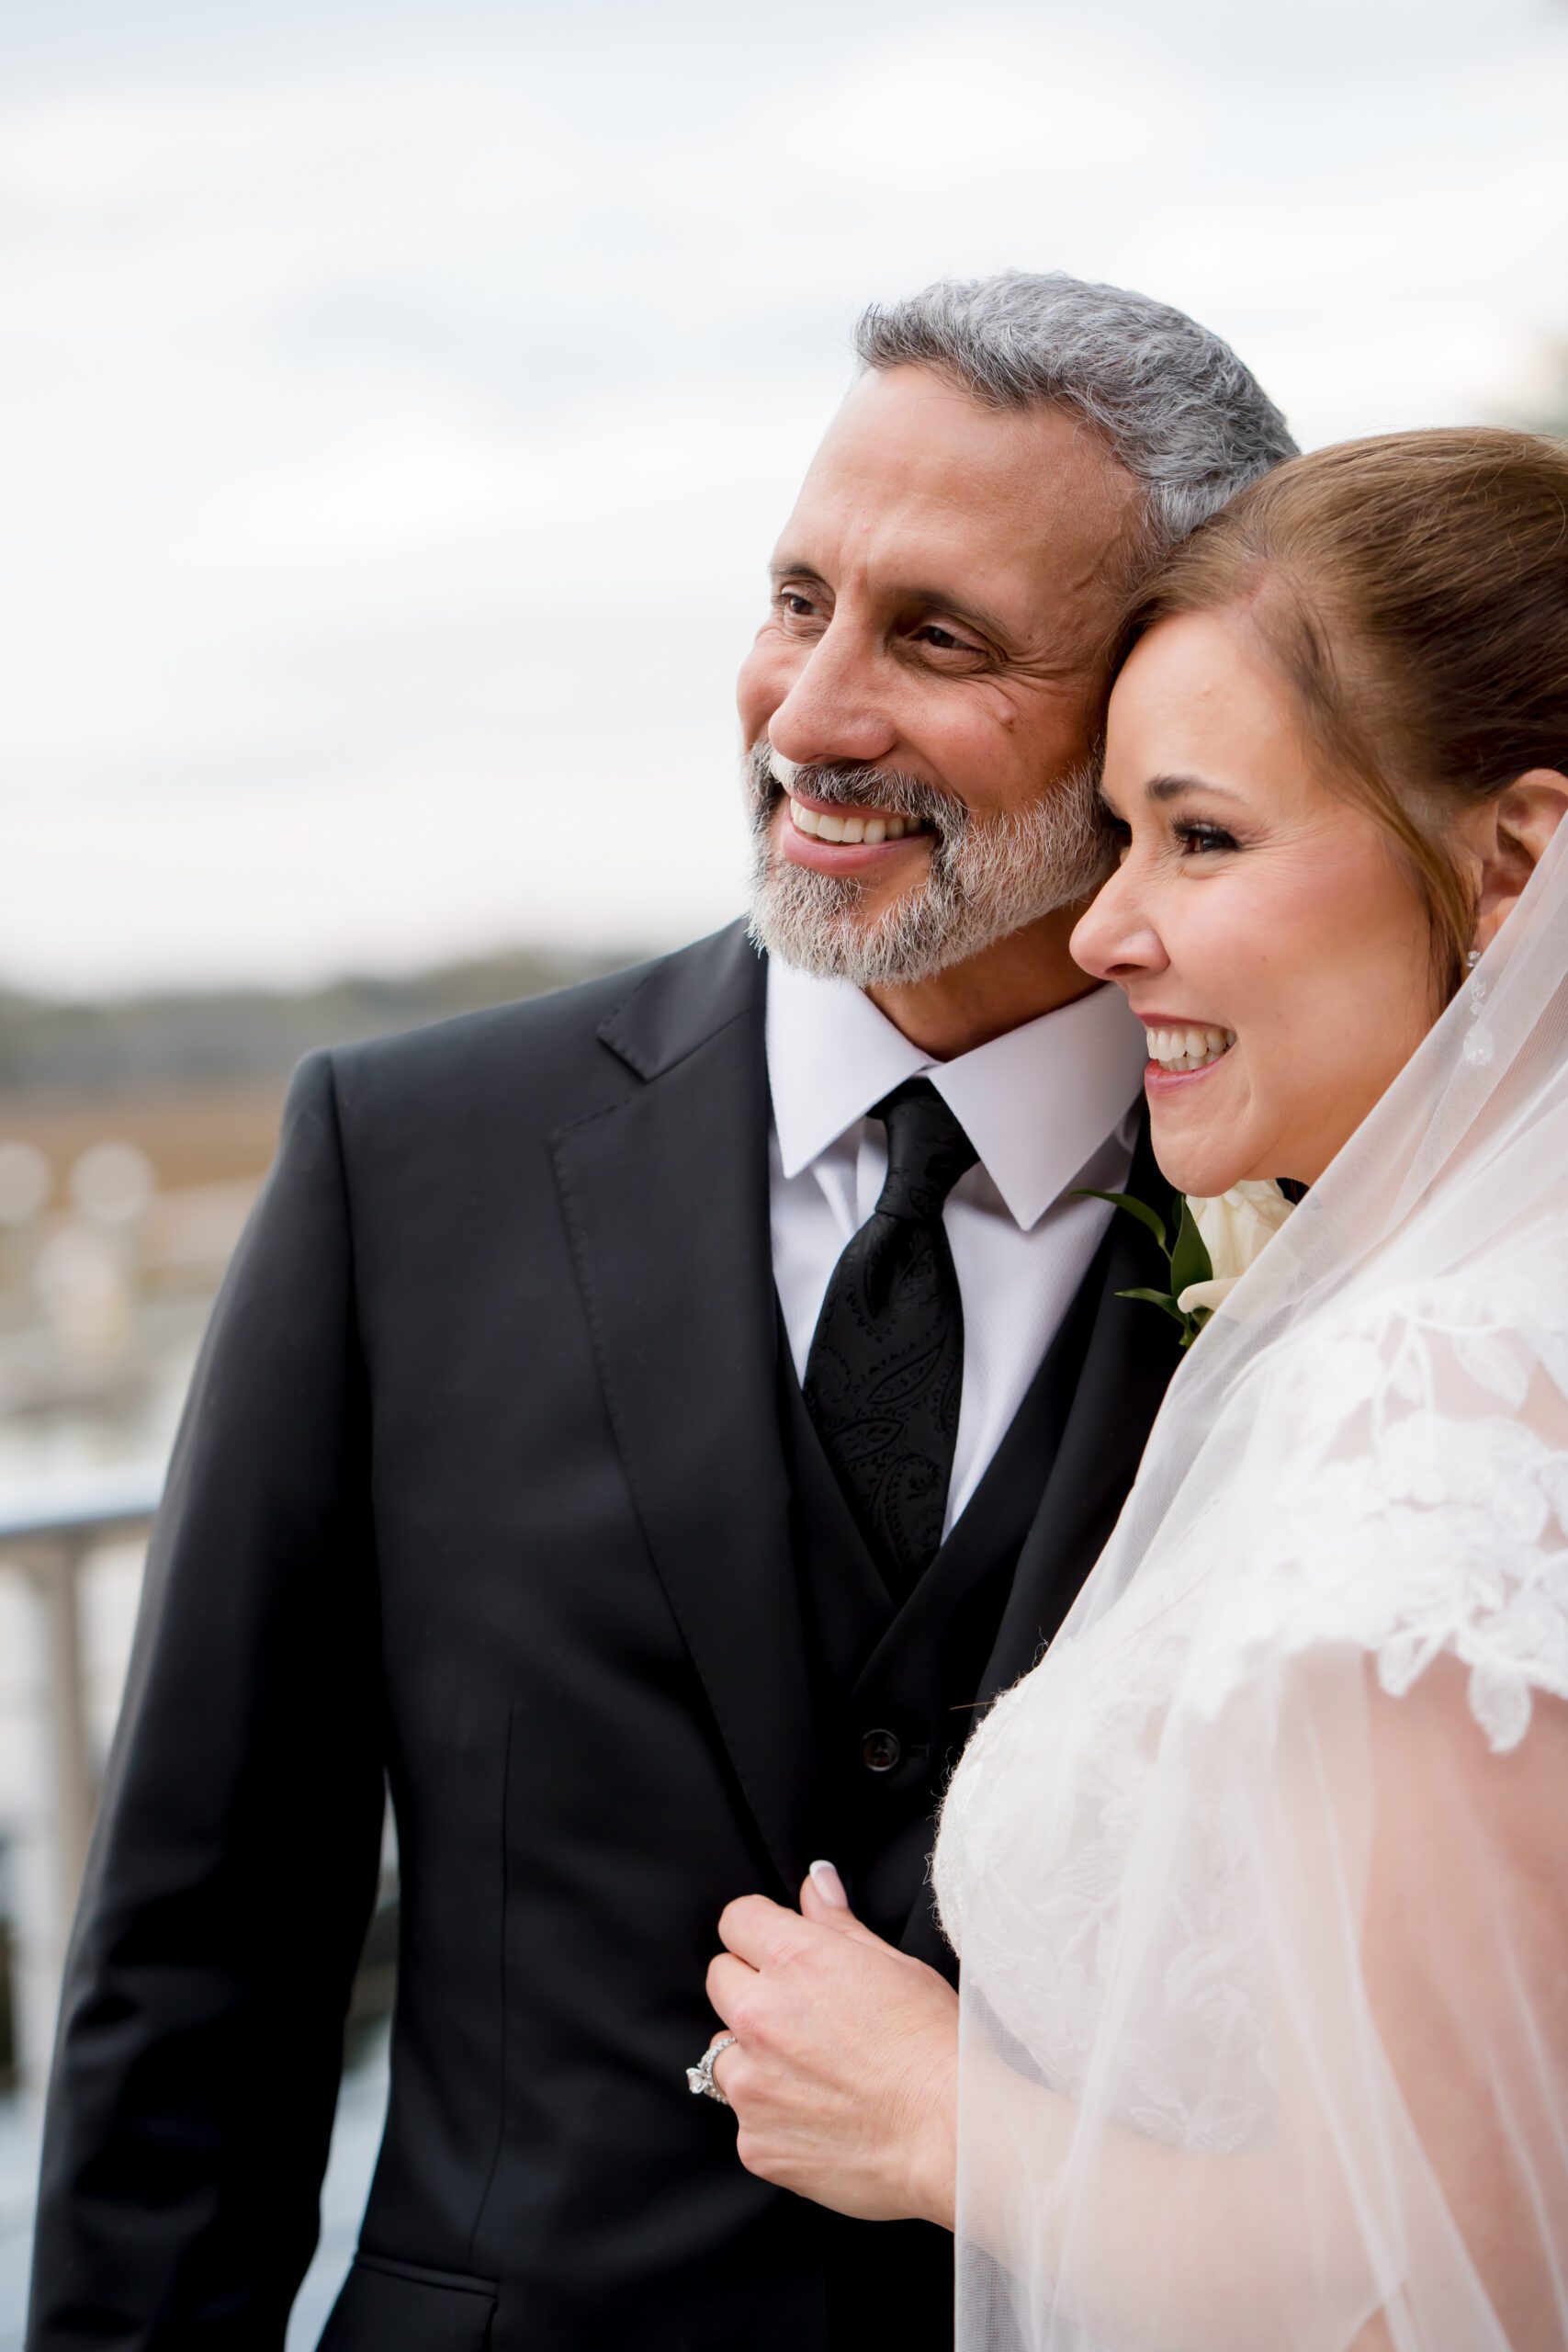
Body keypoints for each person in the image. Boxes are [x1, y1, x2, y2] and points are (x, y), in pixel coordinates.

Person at [25, 273, 1292, 2352]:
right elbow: (203, 1964)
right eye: (796, 600)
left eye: (933, 636)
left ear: (1171, 693)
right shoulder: (402, 1159)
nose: (805, 714)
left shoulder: (1350, 1237)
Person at [699, 427, 1568, 2350]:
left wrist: (937, 2115)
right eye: (1113, 836)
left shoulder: (1432, 1408)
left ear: (1507, 863)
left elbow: (1457, 2279)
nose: (1102, 930)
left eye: (1199, 834)